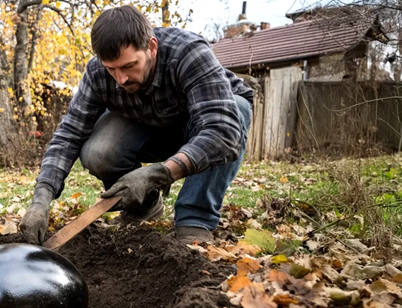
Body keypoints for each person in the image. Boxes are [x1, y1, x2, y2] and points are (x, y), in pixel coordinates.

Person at [20, 5, 253, 245]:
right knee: (98, 151)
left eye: (129, 66)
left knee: (237, 110)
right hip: (150, 127)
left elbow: (222, 132)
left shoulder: (188, 53)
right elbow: (69, 134)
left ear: (151, 47)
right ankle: (144, 206)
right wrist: (41, 198)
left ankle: (195, 218)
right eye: (112, 69)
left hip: (201, 127)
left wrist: (157, 174)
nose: (120, 79)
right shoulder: (98, 73)